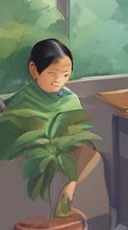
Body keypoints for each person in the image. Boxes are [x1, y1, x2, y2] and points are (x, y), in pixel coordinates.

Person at [0, 40, 102, 217]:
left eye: (65, 74)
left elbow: (78, 132)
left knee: (88, 152)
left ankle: (65, 199)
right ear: (34, 70)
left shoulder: (71, 99)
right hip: (31, 155)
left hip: (65, 153)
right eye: (52, 73)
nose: (59, 80)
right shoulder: (22, 100)